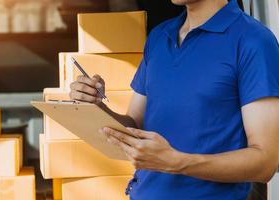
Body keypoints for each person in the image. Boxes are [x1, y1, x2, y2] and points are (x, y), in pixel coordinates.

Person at [69, 0, 279, 199]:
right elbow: (134, 126)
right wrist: (96, 107)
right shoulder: (159, 37)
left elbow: (265, 162)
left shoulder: (254, 41)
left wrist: (178, 162)